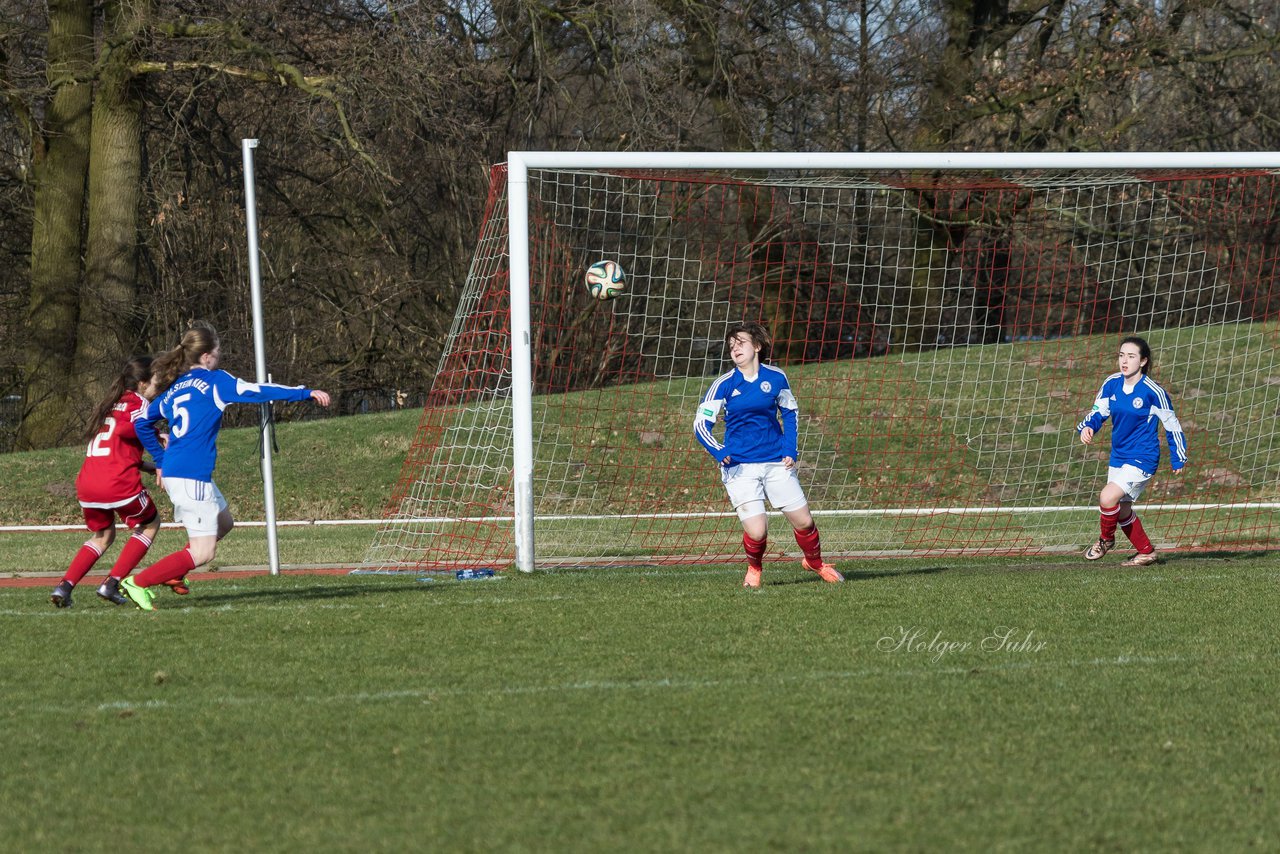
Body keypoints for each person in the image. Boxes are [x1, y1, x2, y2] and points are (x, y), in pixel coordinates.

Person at [123, 323, 331, 610]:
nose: (220, 355)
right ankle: (139, 582)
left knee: (225, 522)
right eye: (218, 350)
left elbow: (142, 423)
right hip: (189, 475)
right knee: (204, 552)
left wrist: (160, 460)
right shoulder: (214, 381)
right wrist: (304, 393)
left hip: (181, 471)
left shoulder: (176, 387)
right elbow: (258, 390)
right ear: (207, 356)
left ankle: (174, 572)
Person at [694, 321, 843, 588]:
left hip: (776, 462)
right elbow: (700, 425)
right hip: (740, 468)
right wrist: (719, 450)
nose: (734, 349)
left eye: (740, 343)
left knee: (805, 522)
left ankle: (815, 562)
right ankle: (754, 568)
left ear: (758, 346)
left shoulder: (776, 377)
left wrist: (789, 449)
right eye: (731, 346)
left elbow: (790, 412)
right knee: (758, 531)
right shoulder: (724, 384)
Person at [50, 357, 164, 607]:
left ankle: (64, 587)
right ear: (143, 383)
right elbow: (133, 429)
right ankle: (112, 584)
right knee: (150, 523)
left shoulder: (110, 404)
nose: (161, 383)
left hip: (88, 482)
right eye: (157, 379)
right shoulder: (139, 405)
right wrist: (159, 442)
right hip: (116, 483)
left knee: (103, 535)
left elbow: (118, 449)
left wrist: (148, 466)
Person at [1077, 335, 1187, 566]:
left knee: (1107, 497)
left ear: (1143, 361)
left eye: (1131, 356)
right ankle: (1146, 552)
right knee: (1123, 509)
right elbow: (1099, 411)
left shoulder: (1152, 392)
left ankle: (1105, 540)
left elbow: (1172, 425)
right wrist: (1088, 426)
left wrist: (1178, 456)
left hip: (1143, 457)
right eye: (1121, 355)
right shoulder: (1111, 383)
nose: (1124, 361)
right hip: (1119, 455)